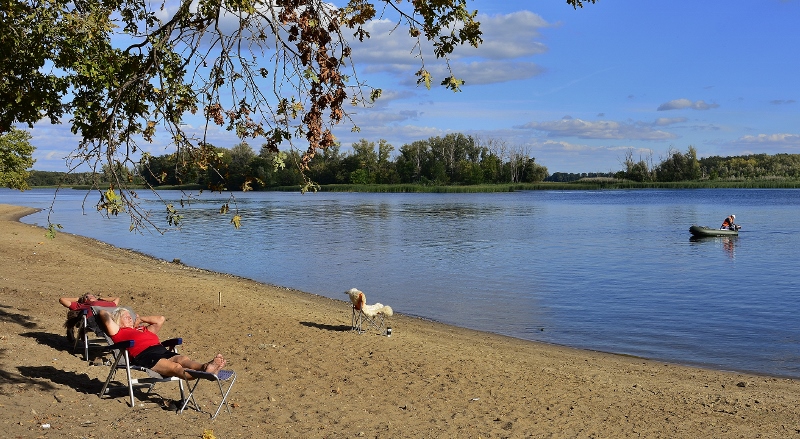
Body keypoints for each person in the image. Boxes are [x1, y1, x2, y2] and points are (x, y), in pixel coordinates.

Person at [96, 307, 226, 379]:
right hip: (144, 355)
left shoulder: (143, 329)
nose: (130, 317)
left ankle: (205, 367)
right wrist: (113, 312)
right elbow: (102, 313)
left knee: (182, 358)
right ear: (118, 320)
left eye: (131, 315)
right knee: (176, 368)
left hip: (159, 349)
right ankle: (206, 375)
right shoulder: (118, 331)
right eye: (126, 316)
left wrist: (140, 319)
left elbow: (160, 319)